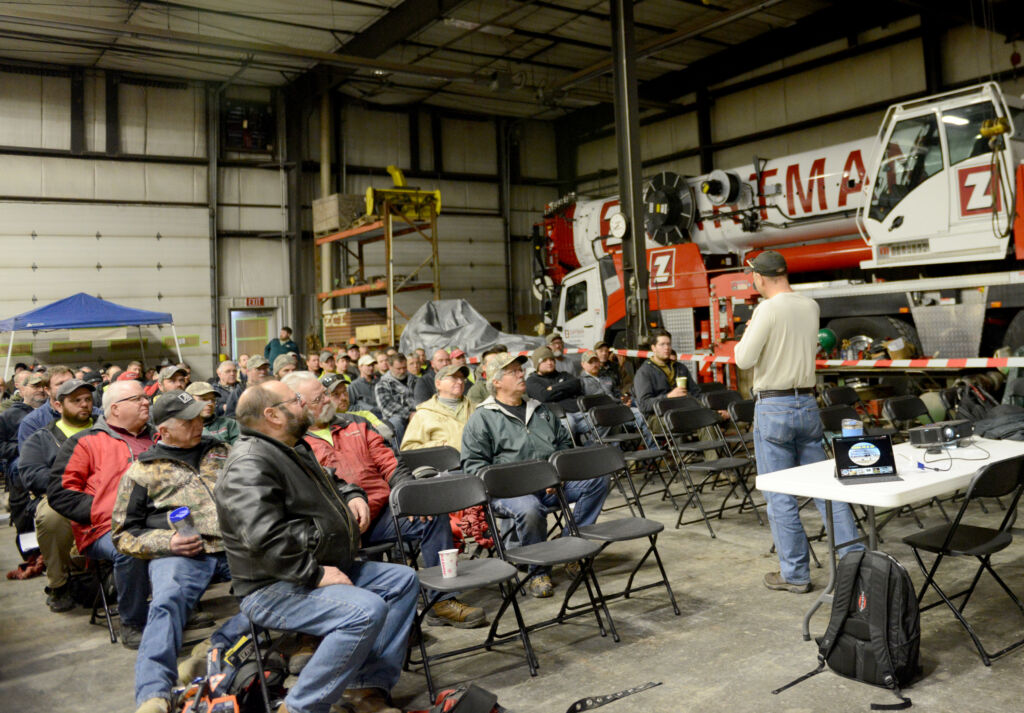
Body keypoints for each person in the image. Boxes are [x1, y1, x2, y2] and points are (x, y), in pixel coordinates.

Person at [215, 381, 418, 713]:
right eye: (295, 400)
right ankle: (299, 707)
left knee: (402, 581)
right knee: (365, 611)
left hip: (311, 567)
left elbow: (332, 479)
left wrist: (352, 494)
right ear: (272, 415)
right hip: (273, 584)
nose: (303, 404)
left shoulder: (291, 447)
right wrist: (315, 573)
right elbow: (262, 536)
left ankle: (365, 689)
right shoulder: (249, 463)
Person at [286, 371, 484, 629]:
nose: (328, 400)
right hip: (335, 527)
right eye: (319, 398)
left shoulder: (355, 423)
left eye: (327, 395)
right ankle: (335, 626)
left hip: (382, 513)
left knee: (431, 513)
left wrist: (409, 494)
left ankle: (441, 601)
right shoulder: (293, 443)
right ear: (299, 405)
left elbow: (389, 462)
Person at [111, 391, 249, 713]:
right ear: (164, 429)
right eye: (189, 420)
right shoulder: (141, 471)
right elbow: (123, 534)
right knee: (166, 601)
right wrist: (166, 542)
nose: (199, 423)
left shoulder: (223, 452)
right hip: (181, 552)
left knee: (273, 589)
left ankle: (215, 647)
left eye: (199, 416)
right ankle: (153, 694)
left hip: (234, 545)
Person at [734, 251, 863, 593]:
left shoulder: (766, 310)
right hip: (807, 403)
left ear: (760, 278)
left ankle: (795, 574)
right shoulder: (810, 306)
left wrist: (749, 333)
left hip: (774, 406)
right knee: (826, 491)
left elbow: (744, 359)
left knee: (780, 496)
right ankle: (855, 565)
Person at [460, 354, 609, 598]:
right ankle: (537, 571)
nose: (522, 375)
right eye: (514, 372)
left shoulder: (540, 409)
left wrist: (558, 474)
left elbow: (563, 444)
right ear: (496, 382)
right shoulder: (483, 417)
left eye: (521, 370)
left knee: (597, 480)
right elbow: (473, 466)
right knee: (529, 508)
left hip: (549, 484)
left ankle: (569, 549)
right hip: (507, 492)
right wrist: (514, 484)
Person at [47, 379, 156, 647]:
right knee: (129, 548)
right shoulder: (85, 442)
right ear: (115, 409)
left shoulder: (157, 436)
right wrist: (110, 512)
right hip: (105, 528)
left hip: (158, 518)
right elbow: (61, 493)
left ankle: (177, 608)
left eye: (146, 397)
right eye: (138, 398)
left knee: (193, 536)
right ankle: (133, 623)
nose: (146, 402)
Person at [16, 378, 96, 612]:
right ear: (58, 405)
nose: (84, 405)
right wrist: (72, 482)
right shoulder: (41, 438)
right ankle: (58, 583)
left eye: (88, 400)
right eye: (76, 400)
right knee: (52, 518)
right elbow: (30, 474)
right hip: (60, 495)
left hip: (105, 491)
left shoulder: (105, 428)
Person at [579, 350, 656, 448]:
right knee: (611, 423)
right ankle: (589, 449)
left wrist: (624, 400)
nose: (594, 364)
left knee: (641, 413)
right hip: (600, 414)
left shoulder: (607, 378)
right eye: (590, 362)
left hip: (618, 410)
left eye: (596, 361)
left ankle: (653, 450)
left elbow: (618, 394)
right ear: (583, 364)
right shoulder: (580, 382)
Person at [632, 330, 702, 422]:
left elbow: (696, 393)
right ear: (653, 348)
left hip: (682, 410)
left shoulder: (680, 368)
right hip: (657, 417)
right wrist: (668, 396)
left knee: (705, 417)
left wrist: (710, 408)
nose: (667, 348)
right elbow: (644, 405)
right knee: (700, 419)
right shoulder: (644, 372)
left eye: (669, 344)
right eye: (662, 344)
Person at [401, 364, 474, 450]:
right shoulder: (424, 414)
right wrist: (441, 446)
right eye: (454, 378)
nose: (460, 382)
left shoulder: (477, 408)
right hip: (445, 463)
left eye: (462, 378)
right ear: (438, 384)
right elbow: (408, 449)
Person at [526, 345, 585, 434]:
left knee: (599, 419)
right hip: (556, 415)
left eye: (551, 359)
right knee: (569, 425)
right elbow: (544, 396)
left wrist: (554, 388)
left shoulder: (563, 375)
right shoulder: (532, 381)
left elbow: (577, 384)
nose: (549, 363)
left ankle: (590, 445)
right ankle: (571, 446)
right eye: (544, 360)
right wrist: (566, 390)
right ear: (537, 364)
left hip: (578, 411)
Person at [321, 375, 394, 443]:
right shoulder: (321, 424)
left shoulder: (364, 415)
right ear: (324, 398)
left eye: (344, 391)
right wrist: (368, 431)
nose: (343, 397)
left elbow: (387, 433)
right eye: (336, 394)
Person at [16, 365, 76, 448]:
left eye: (70, 382)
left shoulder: (93, 413)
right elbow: (30, 458)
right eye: (60, 384)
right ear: (47, 390)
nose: (67, 386)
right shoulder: (33, 422)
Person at [0, 370, 48, 472]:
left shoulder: (55, 413)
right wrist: (23, 447)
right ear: (22, 390)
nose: (41, 389)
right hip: (21, 462)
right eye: (35, 386)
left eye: (44, 386)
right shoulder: (8, 415)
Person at [374, 352, 418, 444]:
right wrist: (409, 414)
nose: (402, 371)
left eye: (404, 368)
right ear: (390, 367)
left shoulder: (415, 379)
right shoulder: (383, 384)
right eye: (398, 369)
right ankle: (400, 453)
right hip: (397, 417)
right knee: (396, 422)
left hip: (418, 413)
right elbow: (386, 406)